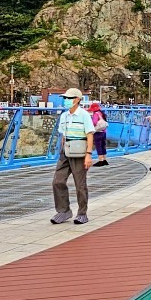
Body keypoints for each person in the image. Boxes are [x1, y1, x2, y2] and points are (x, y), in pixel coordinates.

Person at [51, 87, 94, 225]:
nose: (65, 101)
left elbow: (90, 134)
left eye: (68, 98)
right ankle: (63, 211)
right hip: (66, 151)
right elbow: (63, 135)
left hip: (79, 152)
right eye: (65, 98)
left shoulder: (84, 115)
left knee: (80, 184)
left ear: (77, 100)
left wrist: (88, 154)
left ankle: (82, 213)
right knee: (58, 181)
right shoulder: (64, 116)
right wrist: (61, 150)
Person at [89, 101, 110, 166]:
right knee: (103, 146)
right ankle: (104, 159)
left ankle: (100, 160)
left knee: (98, 146)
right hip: (103, 132)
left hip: (98, 132)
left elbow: (94, 122)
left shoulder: (95, 114)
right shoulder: (102, 114)